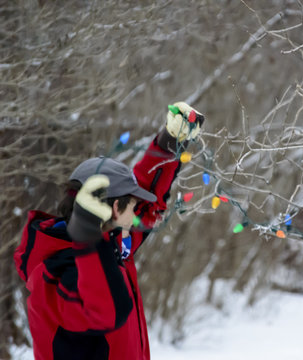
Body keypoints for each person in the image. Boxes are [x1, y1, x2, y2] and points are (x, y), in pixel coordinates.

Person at [14, 102, 204, 360]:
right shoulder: (57, 276)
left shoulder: (111, 246)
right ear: (115, 208)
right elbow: (108, 310)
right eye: (131, 205)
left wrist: (170, 141)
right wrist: (89, 237)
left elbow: (146, 201)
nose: (137, 215)